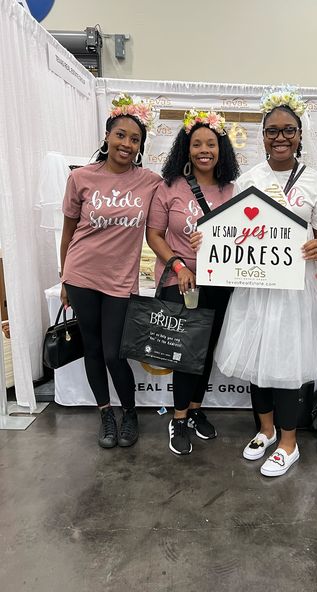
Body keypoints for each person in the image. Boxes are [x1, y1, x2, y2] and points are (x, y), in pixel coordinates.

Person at [213, 87, 317, 477]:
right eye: (272, 131)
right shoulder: (249, 178)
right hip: (256, 286)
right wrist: (208, 238)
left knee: (286, 364)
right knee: (256, 360)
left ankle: (289, 441)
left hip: (295, 289)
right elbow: (232, 229)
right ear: (262, 135)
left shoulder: (316, 181)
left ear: (300, 133)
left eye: (288, 130)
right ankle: (265, 431)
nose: (280, 137)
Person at [60, 94, 162, 449]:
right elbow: (69, 231)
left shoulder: (149, 182)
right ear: (107, 136)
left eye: (134, 139)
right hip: (82, 274)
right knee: (92, 348)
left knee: (114, 352)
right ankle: (105, 413)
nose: (127, 144)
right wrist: (63, 277)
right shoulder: (81, 178)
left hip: (120, 281)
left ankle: (129, 413)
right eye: (121, 135)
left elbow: (172, 212)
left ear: (140, 147)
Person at [146, 109, 239, 456]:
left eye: (211, 144)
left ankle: (196, 408)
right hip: (180, 280)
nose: (204, 150)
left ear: (221, 148)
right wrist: (179, 264)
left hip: (220, 281)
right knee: (186, 354)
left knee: (206, 351)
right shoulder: (168, 187)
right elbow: (154, 234)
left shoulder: (232, 189)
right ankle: (179, 418)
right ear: (186, 149)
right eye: (197, 143)